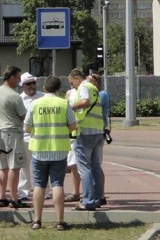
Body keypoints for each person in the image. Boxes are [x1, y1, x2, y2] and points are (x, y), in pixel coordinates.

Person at [24, 75, 77, 231]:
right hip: (59, 150)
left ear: (44, 88)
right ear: (58, 89)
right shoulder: (63, 103)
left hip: (39, 149)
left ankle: (37, 220)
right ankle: (60, 221)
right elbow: (73, 126)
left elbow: (26, 127)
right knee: (57, 185)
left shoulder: (35, 104)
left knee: (39, 185)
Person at [68, 68, 104, 211]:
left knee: (84, 167)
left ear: (77, 78)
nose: (72, 86)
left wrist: (69, 107)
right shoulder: (93, 88)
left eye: (72, 83)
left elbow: (85, 102)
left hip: (84, 131)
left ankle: (88, 201)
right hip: (97, 130)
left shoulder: (83, 86)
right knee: (95, 167)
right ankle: (97, 198)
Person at [0, 65, 28, 208]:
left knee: (3, 166)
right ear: (11, 77)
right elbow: (23, 115)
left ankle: (2, 197)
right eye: (18, 78)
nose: (19, 81)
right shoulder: (14, 96)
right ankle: (14, 198)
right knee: (15, 166)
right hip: (12, 132)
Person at [18, 72, 43, 200]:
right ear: (22, 85)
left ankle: (45, 190)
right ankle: (24, 191)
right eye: (28, 84)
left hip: (41, 137)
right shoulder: (19, 99)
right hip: (25, 136)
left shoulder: (43, 97)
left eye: (33, 83)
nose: (32, 86)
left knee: (42, 164)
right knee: (24, 165)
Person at [88, 73, 109, 205]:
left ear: (97, 83)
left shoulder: (102, 95)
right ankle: (96, 193)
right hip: (92, 132)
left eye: (90, 83)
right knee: (92, 165)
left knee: (96, 165)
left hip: (98, 132)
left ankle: (100, 194)